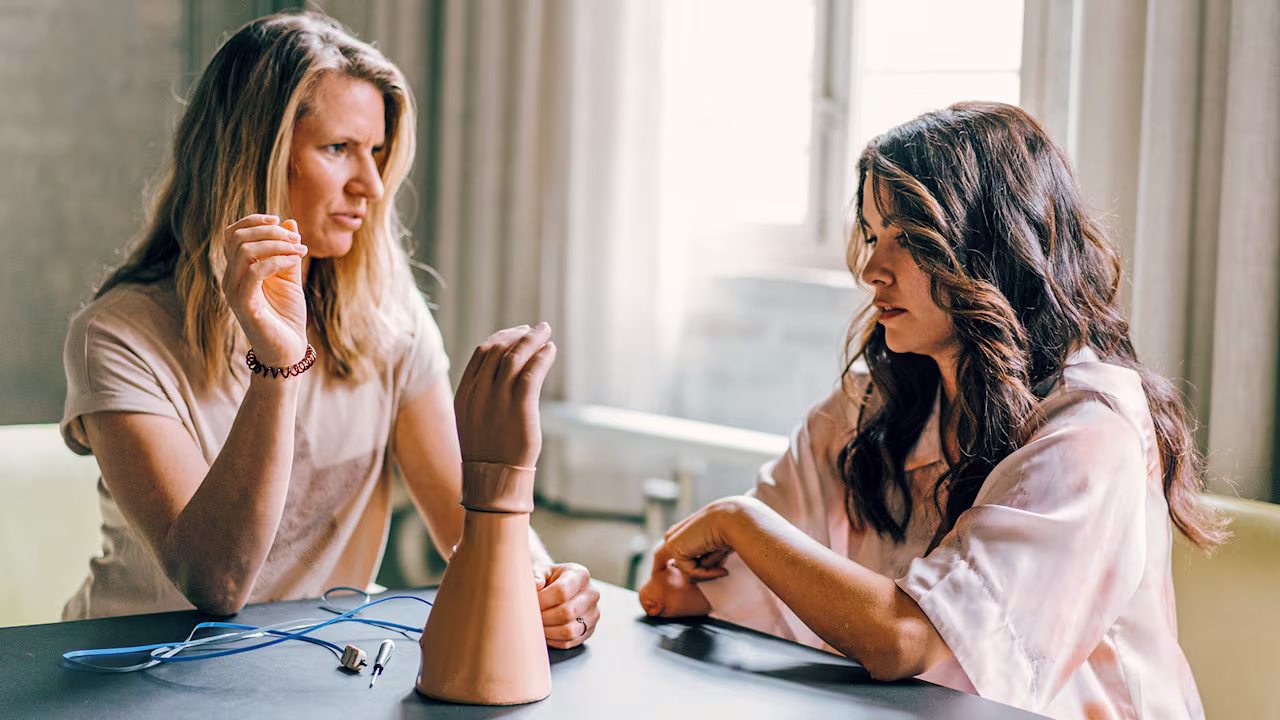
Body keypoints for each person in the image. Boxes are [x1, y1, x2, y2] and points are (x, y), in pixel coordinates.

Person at [638, 101, 1224, 718]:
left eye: (909, 240)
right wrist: (656, 590)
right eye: (870, 234)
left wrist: (739, 522)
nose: (871, 269)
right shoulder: (872, 408)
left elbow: (904, 638)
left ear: (995, 248)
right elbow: (739, 577)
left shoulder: (1090, 434)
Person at [60, 11, 599, 650]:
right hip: (135, 680)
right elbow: (215, 584)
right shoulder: (118, 337)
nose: (370, 185)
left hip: (310, 674)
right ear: (253, 157)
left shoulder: (388, 315)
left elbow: (466, 523)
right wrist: (277, 366)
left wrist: (545, 585)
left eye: (375, 153)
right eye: (338, 149)